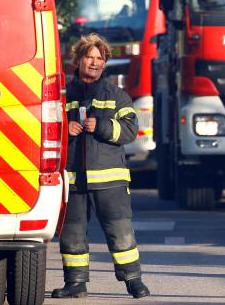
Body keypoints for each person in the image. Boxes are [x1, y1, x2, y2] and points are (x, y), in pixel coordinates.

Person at [51, 33, 150, 299]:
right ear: (78, 60)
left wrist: (103, 127)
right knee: (71, 235)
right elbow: (45, 129)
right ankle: (76, 283)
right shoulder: (62, 96)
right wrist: (64, 130)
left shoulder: (118, 96)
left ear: (104, 63)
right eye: (89, 57)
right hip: (73, 180)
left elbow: (130, 131)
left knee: (120, 232)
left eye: (99, 58)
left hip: (110, 181)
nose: (94, 63)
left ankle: (133, 281)